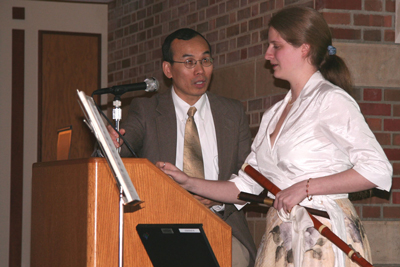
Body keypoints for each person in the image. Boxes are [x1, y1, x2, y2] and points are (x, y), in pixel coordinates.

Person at [157, 7, 393, 267]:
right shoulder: (273, 114)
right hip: (283, 239)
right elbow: (244, 187)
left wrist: (305, 187)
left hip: (324, 237)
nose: (268, 55)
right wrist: (188, 181)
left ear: (304, 48)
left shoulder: (331, 100)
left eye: (276, 46)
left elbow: (377, 171)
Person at [107, 28, 257, 266]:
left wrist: (217, 197)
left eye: (205, 60)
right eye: (189, 62)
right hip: (162, 224)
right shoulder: (146, 111)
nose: (200, 70)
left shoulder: (233, 112)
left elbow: (248, 173)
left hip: (220, 221)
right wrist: (112, 143)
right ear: (168, 69)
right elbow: (122, 149)